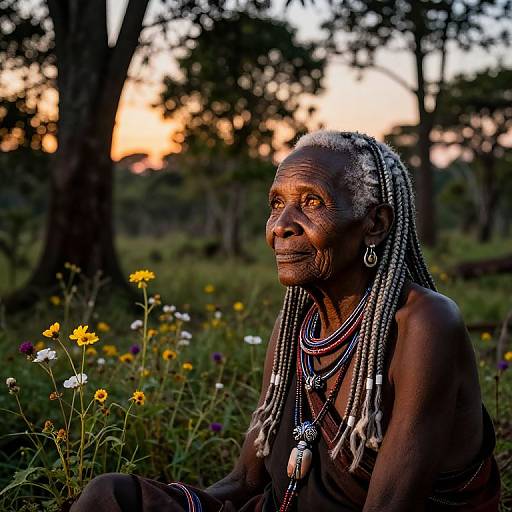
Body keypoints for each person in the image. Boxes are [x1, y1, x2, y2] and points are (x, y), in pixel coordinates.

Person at [71, 131, 500, 511]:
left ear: (375, 223)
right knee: (108, 496)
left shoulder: (425, 323)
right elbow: (244, 482)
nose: (281, 226)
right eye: (277, 203)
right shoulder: (296, 326)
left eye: (312, 202)